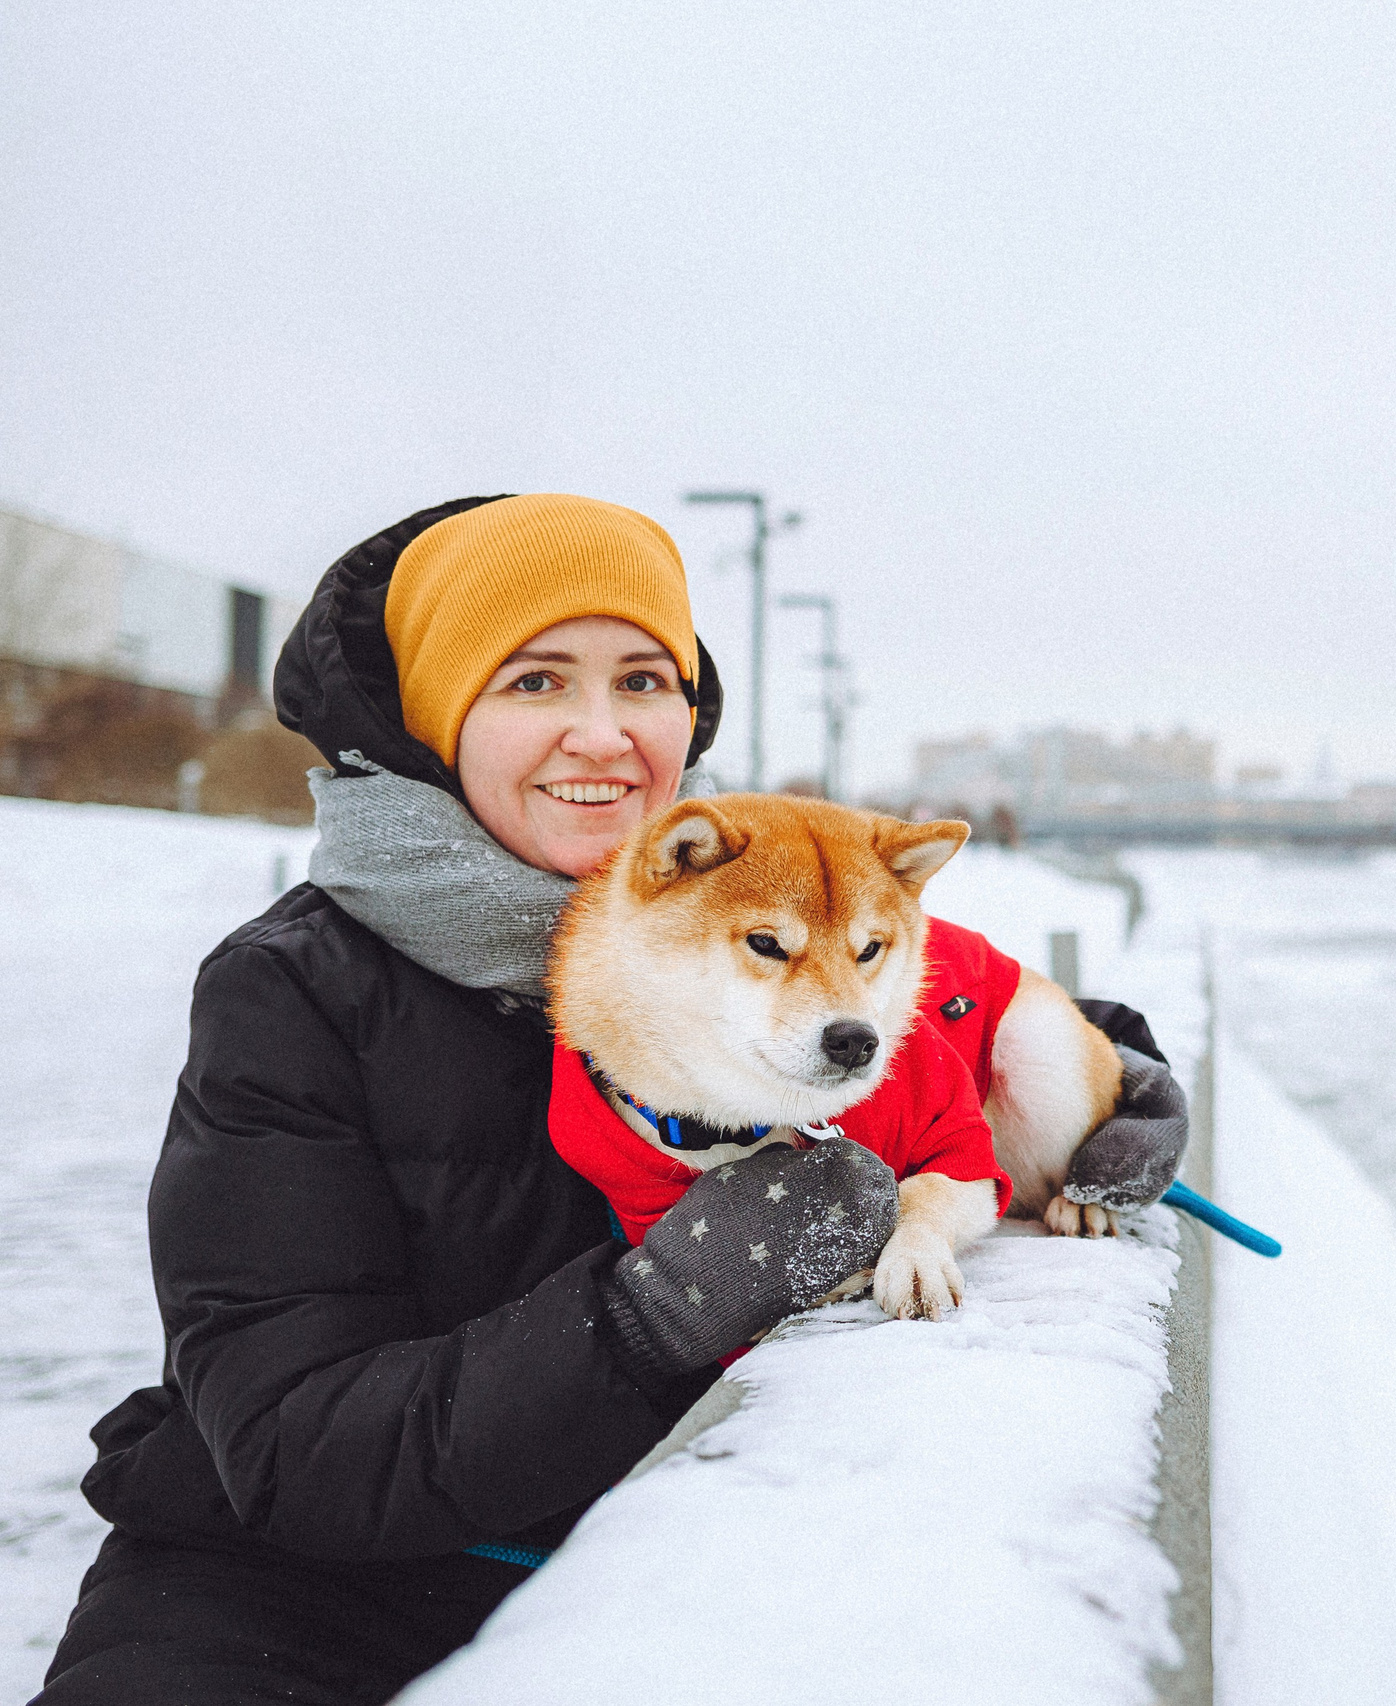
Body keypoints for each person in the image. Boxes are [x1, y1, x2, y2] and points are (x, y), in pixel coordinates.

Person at [36, 494, 1181, 1704]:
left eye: (643, 680)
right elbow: (293, 1446)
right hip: (287, 1597)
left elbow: (920, 988)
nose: (601, 733)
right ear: (436, 713)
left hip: (654, 1555)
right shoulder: (294, 994)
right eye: (534, 682)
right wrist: (649, 1316)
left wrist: (1104, 1074)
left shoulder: (759, 880)